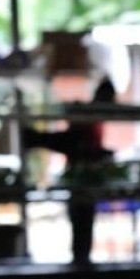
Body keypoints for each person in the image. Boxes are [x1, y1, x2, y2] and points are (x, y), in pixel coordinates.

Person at [23, 78, 116, 266]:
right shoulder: (88, 117)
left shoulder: (93, 117)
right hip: (80, 178)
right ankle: (80, 263)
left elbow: (78, 144)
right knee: (81, 220)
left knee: (83, 222)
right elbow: (76, 144)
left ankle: (81, 262)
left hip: (84, 178)